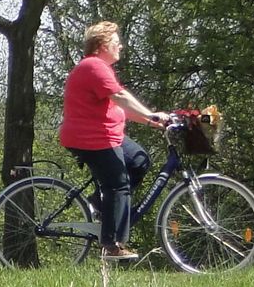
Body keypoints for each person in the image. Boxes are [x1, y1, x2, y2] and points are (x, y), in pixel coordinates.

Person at [59, 21, 171, 261]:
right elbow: (120, 96)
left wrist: (152, 121)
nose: (120, 45)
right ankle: (111, 245)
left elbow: (122, 106)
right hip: (91, 138)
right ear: (101, 46)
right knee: (118, 185)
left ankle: (101, 204)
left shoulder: (101, 69)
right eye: (114, 41)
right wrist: (151, 114)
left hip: (108, 134)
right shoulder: (93, 66)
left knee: (139, 161)